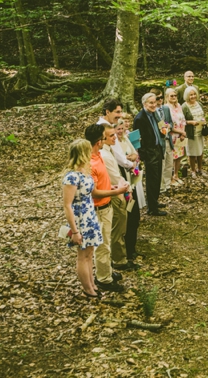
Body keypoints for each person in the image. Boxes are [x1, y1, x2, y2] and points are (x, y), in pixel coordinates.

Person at [85, 124, 129, 292]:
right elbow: (94, 192)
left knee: (107, 241)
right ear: (98, 141)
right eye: (104, 138)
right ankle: (104, 279)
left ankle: (107, 270)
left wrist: (111, 188)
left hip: (106, 205)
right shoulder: (90, 162)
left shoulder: (99, 155)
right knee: (102, 245)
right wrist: (116, 191)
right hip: (99, 208)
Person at [62, 139, 104, 299]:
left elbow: (91, 193)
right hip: (80, 219)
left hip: (90, 215)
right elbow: (67, 205)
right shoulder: (71, 177)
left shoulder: (85, 173)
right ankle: (87, 289)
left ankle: (92, 284)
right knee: (82, 254)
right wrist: (75, 231)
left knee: (90, 253)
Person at [99, 123, 137, 272]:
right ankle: (119, 260)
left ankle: (120, 257)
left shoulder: (109, 151)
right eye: (111, 136)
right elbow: (114, 176)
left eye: (115, 134)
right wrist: (126, 187)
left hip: (119, 189)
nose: (115, 138)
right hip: (116, 193)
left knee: (121, 226)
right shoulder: (105, 155)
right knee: (118, 228)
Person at [133, 93, 168, 216]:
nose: (154, 105)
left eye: (155, 102)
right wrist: (144, 155)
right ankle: (152, 208)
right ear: (144, 104)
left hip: (157, 149)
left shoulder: (155, 114)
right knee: (152, 179)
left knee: (157, 177)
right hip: (149, 152)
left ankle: (155, 200)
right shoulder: (139, 118)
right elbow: (138, 139)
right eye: (151, 103)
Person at [115, 118, 143, 264]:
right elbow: (121, 160)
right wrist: (128, 160)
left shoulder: (126, 139)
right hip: (123, 182)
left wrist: (132, 159)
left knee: (135, 215)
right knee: (127, 216)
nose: (120, 131)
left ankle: (132, 247)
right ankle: (126, 250)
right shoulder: (113, 144)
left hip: (132, 179)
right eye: (118, 129)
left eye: (122, 128)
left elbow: (134, 155)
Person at [97, 99, 136, 171]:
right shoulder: (103, 128)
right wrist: (131, 165)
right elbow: (117, 153)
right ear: (108, 112)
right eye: (117, 112)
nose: (120, 115)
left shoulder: (108, 125)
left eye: (121, 112)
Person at [150, 87, 175, 194]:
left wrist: (168, 126)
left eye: (161, 97)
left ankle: (167, 184)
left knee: (169, 163)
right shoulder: (152, 111)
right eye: (158, 98)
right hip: (159, 141)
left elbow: (171, 123)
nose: (160, 100)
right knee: (162, 163)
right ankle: (161, 186)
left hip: (168, 138)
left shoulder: (166, 109)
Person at [182, 86, 207, 178]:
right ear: (187, 96)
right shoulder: (184, 106)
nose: (193, 96)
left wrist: (204, 121)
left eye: (194, 94)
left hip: (200, 130)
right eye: (190, 95)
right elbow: (181, 121)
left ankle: (200, 169)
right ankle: (193, 170)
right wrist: (191, 122)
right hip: (191, 132)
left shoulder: (199, 104)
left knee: (200, 150)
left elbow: (203, 115)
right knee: (192, 152)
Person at [164, 88, 187, 186]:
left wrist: (183, 133)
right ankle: (169, 178)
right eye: (171, 96)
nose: (174, 97)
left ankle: (176, 175)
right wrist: (179, 131)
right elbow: (167, 124)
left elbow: (183, 120)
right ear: (167, 97)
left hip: (180, 135)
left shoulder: (179, 106)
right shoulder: (166, 108)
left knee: (179, 156)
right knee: (171, 158)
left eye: (175, 95)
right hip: (172, 135)